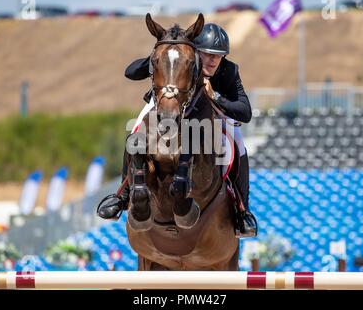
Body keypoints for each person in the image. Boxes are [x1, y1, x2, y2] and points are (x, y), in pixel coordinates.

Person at [98, 23, 257, 237]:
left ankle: (241, 210)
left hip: (212, 115)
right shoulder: (181, 60)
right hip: (166, 108)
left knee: (238, 142)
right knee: (136, 130)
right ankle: (123, 194)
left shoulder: (229, 71)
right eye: (206, 54)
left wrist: (216, 96)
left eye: (217, 56)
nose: (211, 60)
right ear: (195, 52)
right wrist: (156, 58)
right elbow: (130, 72)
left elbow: (245, 112)